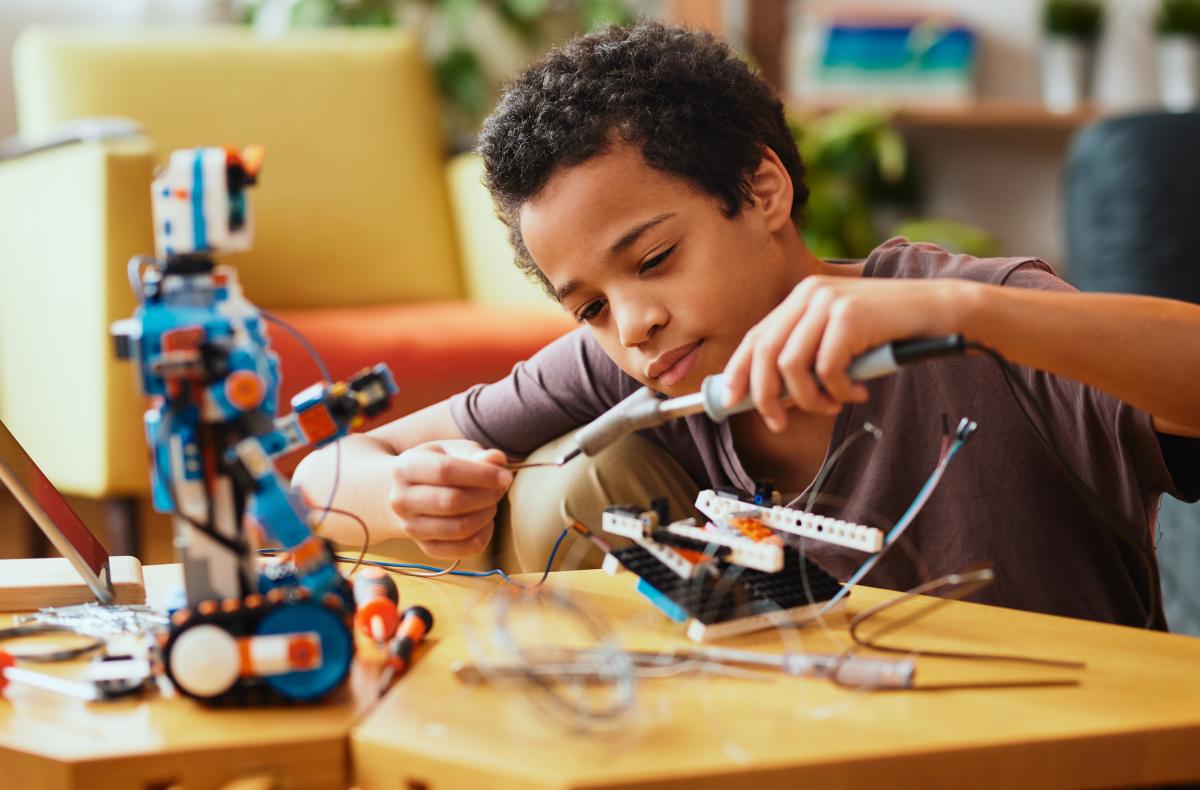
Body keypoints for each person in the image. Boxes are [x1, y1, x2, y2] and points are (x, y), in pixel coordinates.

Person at [294, 21, 1200, 628]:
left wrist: (967, 313)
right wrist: (408, 492)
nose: (635, 324)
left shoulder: (969, 319)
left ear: (762, 189)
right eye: (591, 307)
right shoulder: (641, 366)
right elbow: (324, 471)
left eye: (653, 261)